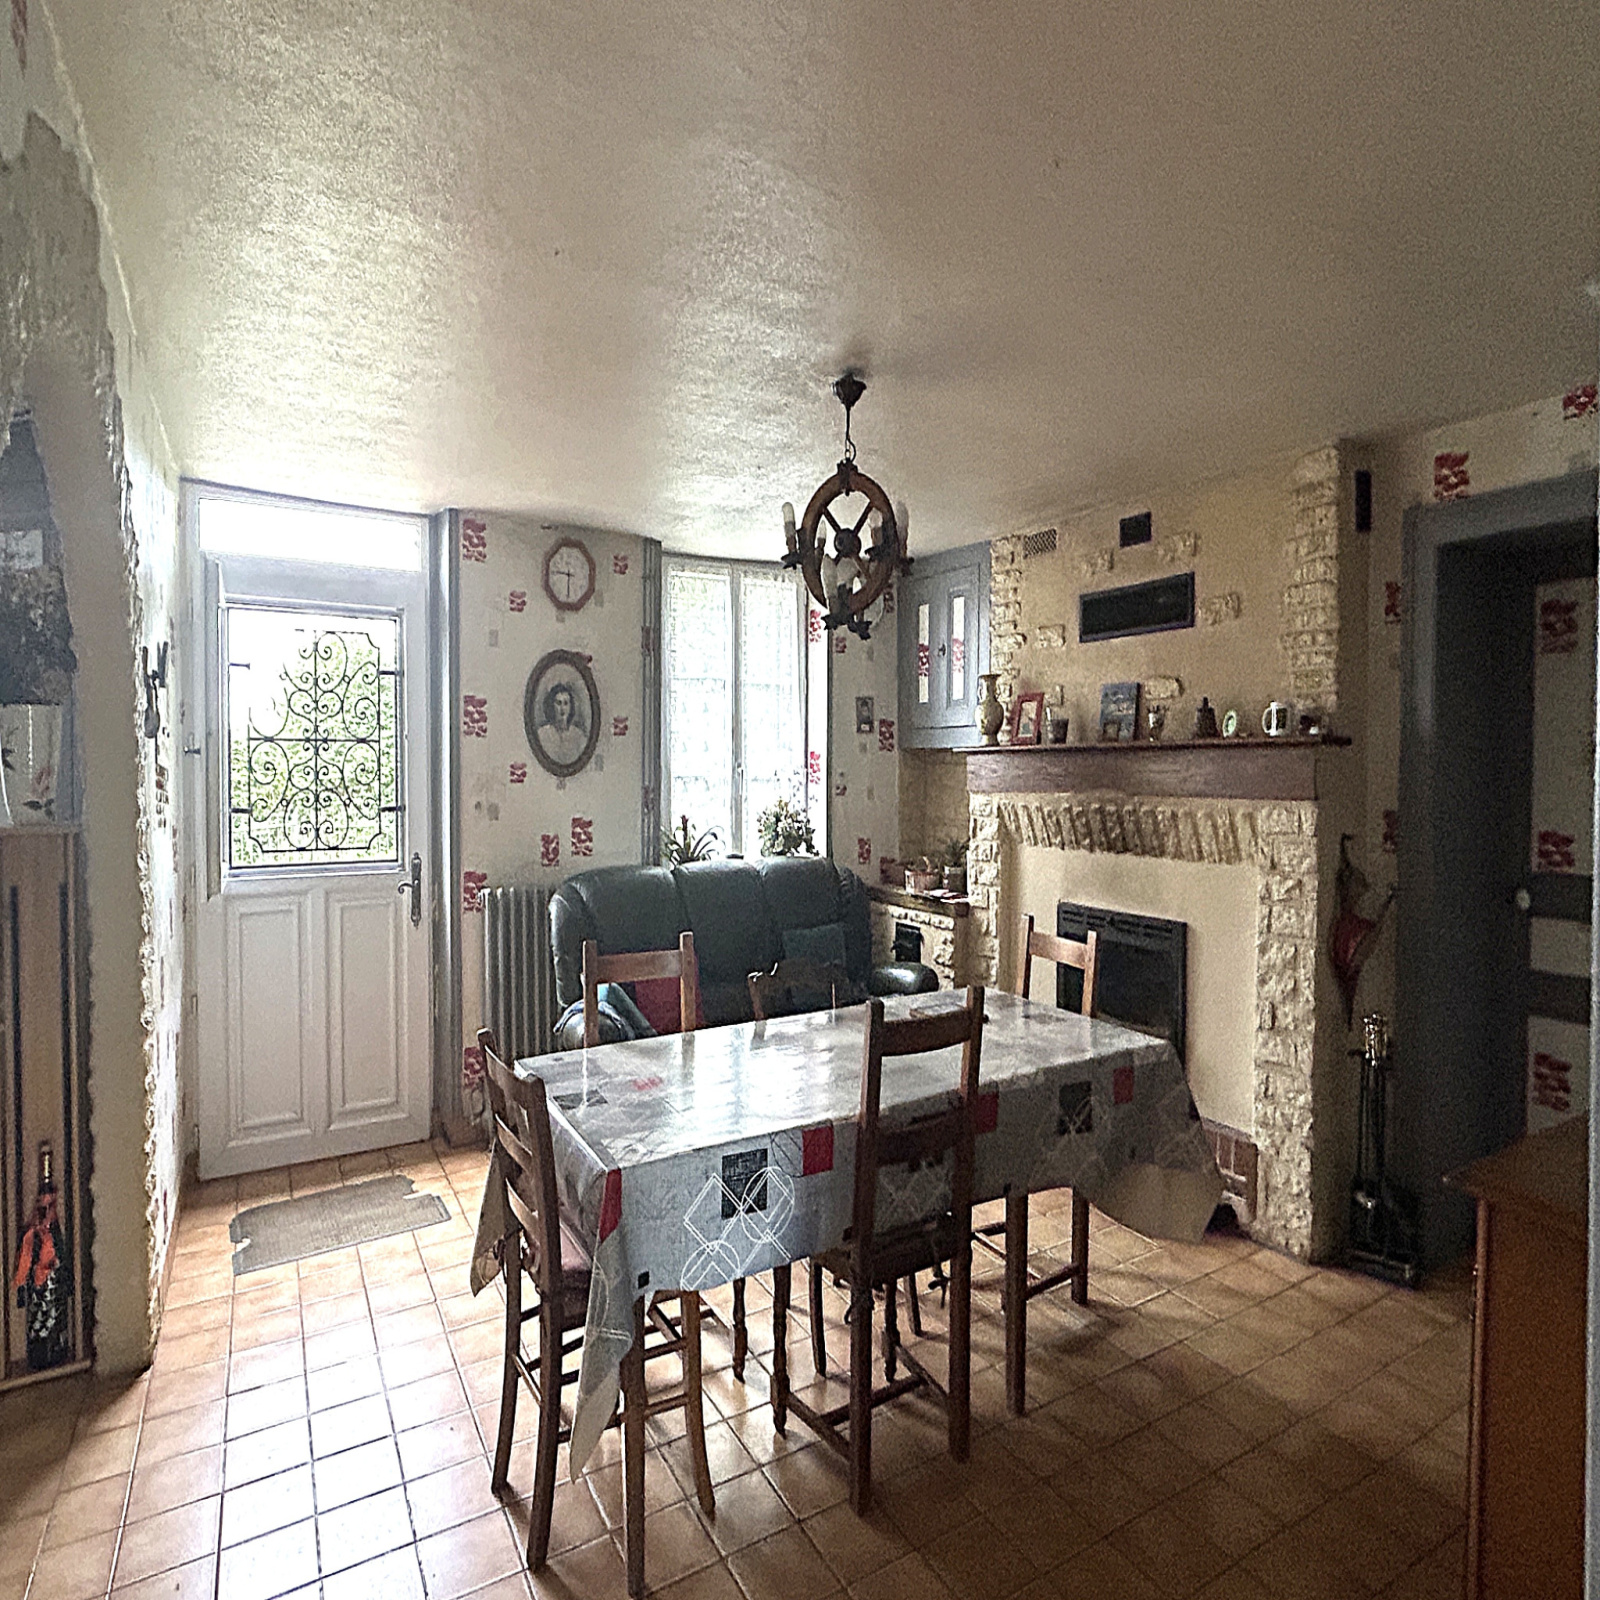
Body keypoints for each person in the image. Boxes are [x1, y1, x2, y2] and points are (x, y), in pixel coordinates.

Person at [538, 680, 588, 765]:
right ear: (552, 705)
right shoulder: (542, 734)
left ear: (570, 706)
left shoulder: (578, 736)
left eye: (566, 703)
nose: (562, 708)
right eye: (558, 703)